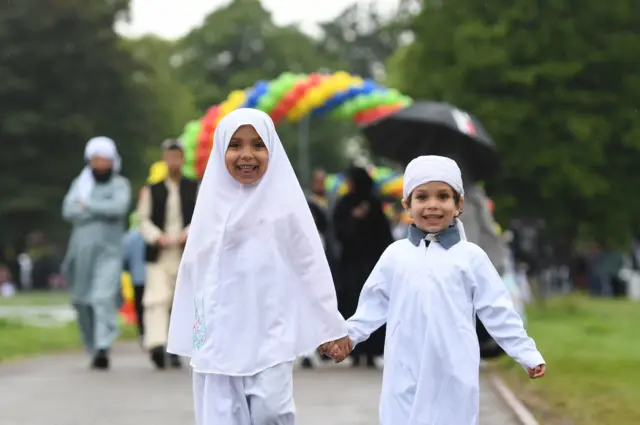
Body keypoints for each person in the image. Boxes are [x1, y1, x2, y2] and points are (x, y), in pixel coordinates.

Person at [322, 155, 545, 425]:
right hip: (404, 368)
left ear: (458, 204)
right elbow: (373, 304)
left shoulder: (471, 257)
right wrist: (349, 336)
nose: (432, 206)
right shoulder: (395, 255)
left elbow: (497, 309)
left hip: (453, 368)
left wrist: (526, 352)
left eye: (442, 196)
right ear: (407, 204)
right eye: (422, 197)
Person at [166, 108, 349, 425]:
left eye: (258, 145)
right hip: (218, 336)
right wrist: (194, 331)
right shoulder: (211, 206)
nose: (246, 155)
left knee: (272, 412)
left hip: (270, 332)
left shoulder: (285, 207)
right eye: (235, 145)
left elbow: (310, 266)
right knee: (220, 417)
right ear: (221, 149)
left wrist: (328, 325)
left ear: (272, 150)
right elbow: (194, 272)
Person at [61, 137, 131, 370]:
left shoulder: (120, 185)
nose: (99, 163)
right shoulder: (80, 185)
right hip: (81, 252)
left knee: (102, 298)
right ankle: (92, 345)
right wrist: (94, 208)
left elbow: (118, 208)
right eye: (95, 159)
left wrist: (87, 206)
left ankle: (103, 345)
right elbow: (69, 210)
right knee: (82, 301)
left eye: (104, 159)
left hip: (109, 252)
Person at [137, 139, 199, 369]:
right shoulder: (152, 190)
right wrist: (156, 237)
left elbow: (202, 217)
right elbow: (143, 220)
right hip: (159, 253)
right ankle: (156, 344)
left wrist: (187, 234)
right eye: (169, 157)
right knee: (156, 299)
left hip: (186, 252)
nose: (173, 162)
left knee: (183, 300)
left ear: (182, 159)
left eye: (177, 157)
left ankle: (179, 346)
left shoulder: (194, 187)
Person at [332, 166, 393, 367]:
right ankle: (353, 349)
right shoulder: (344, 204)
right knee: (352, 303)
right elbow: (339, 232)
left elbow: (383, 234)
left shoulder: (374, 204)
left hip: (371, 263)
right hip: (351, 264)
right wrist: (353, 219)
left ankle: (372, 351)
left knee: (374, 302)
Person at [122, 212, 146, 341]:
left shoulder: (129, 237)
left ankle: (143, 332)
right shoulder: (157, 232)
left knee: (140, 306)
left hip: (137, 277)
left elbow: (124, 258)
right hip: (156, 277)